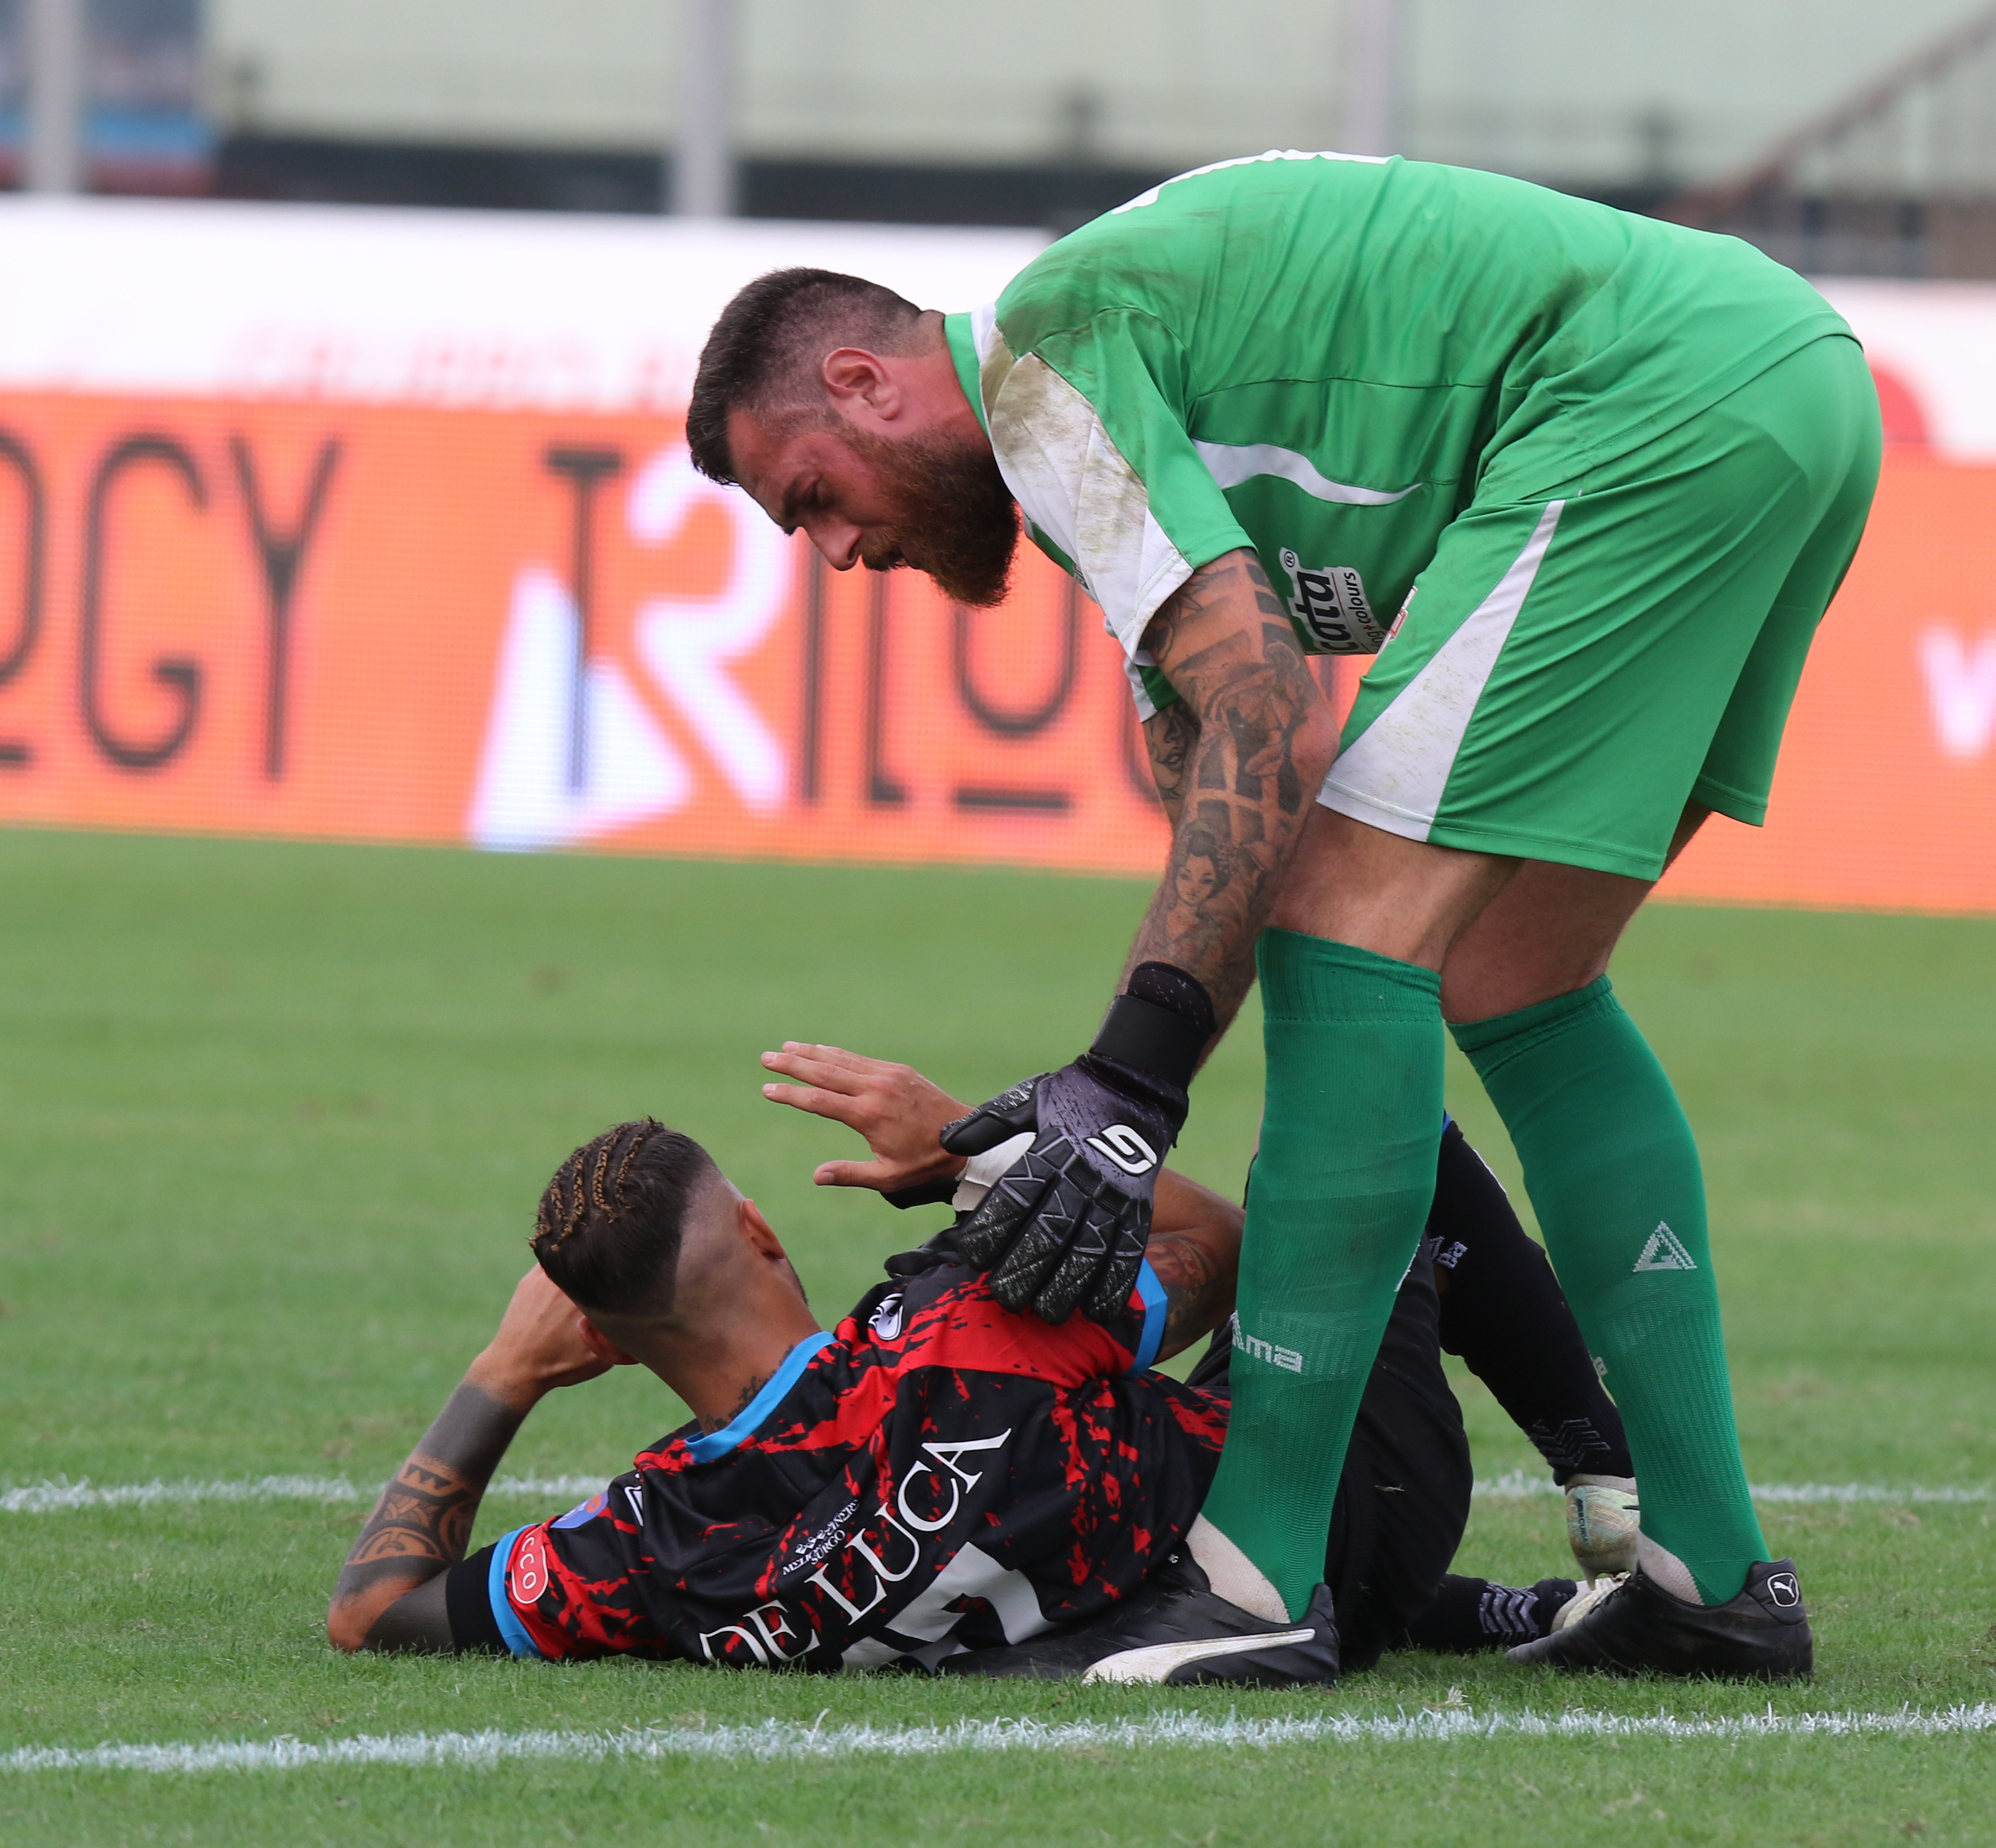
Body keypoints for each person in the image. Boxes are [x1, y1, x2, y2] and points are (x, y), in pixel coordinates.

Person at [688, 151, 1869, 1682]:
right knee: (1513, 973)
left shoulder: (1047, 366)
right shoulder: (1101, 447)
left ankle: (1258, 1583)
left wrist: (1124, 1092)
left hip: (1652, 402)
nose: (841, 556)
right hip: (1782, 386)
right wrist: (1092, 1108)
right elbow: (1228, 831)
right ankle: (1707, 1569)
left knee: (1350, 938)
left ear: (866, 382)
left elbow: (1269, 724)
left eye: (814, 501)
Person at [323, 1060, 1638, 1680]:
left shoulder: (656, 1542)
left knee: (1130, 1484)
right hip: (1346, 1510)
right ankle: (1609, 1488)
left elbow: (375, 1608)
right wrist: (975, 1154)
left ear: (597, 1346)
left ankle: (1500, 1617)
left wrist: (502, 1372)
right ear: (766, 1232)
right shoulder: (966, 1324)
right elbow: (1233, 1259)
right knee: (1370, 1120)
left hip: (1142, 1596)